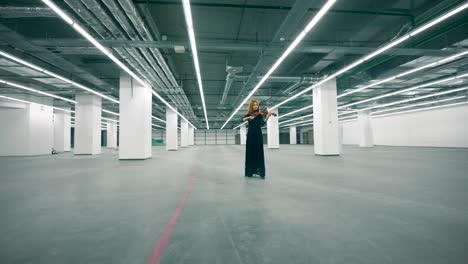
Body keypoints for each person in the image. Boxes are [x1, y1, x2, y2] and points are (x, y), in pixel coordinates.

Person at [242, 100, 272, 179]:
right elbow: (242, 119)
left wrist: (268, 116)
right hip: (250, 135)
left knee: (259, 152)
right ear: (251, 106)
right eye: (253, 105)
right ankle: (250, 172)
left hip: (258, 135)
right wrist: (249, 117)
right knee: (250, 153)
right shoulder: (249, 114)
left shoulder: (260, 115)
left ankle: (260, 172)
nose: (255, 106)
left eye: (256, 105)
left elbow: (262, 124)